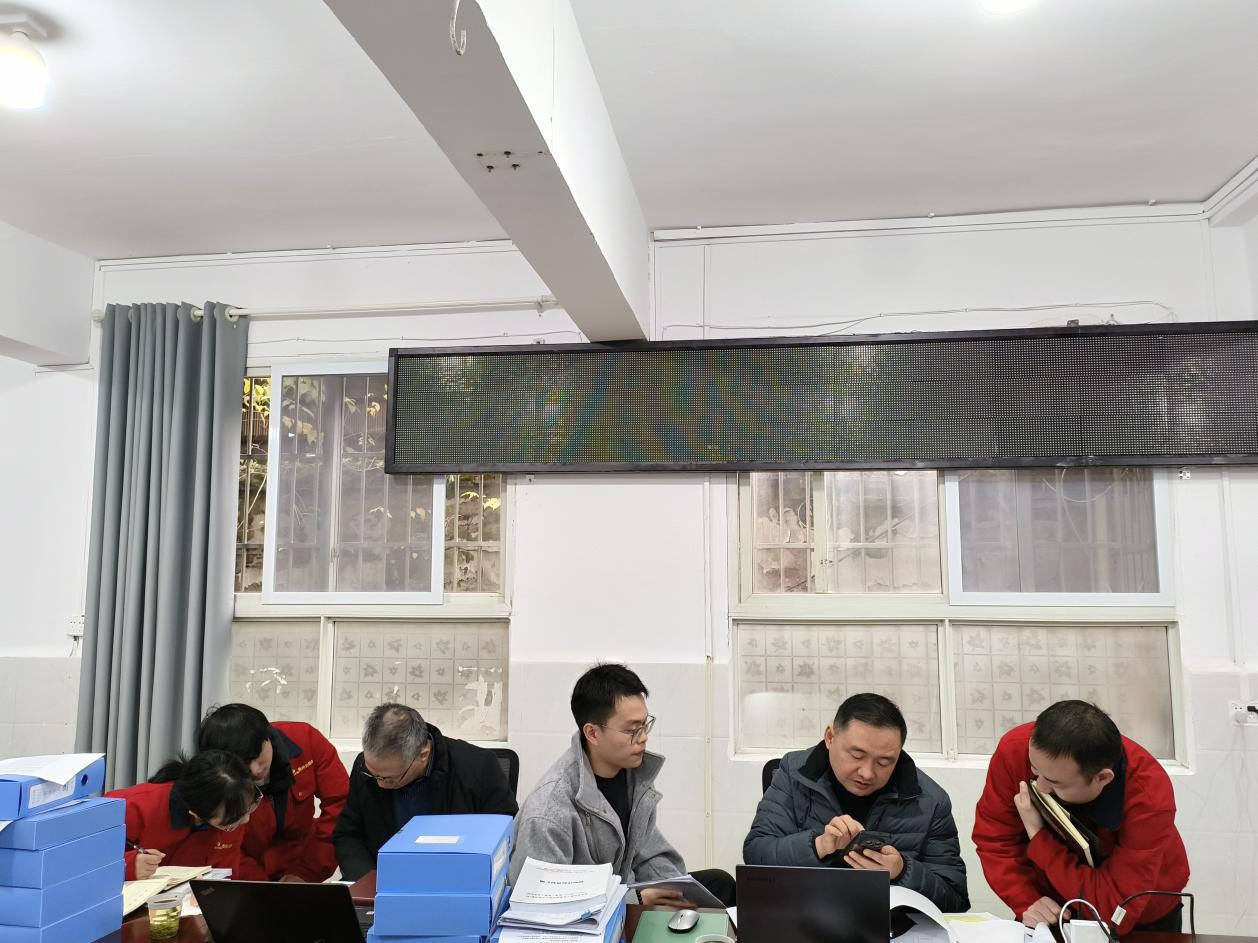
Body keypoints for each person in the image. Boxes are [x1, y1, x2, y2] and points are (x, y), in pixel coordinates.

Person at [509, 663, 736, 907]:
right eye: (632, 730)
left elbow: (648, 853)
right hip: (591, 920)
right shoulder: (547, 812)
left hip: (627, 899)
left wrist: (676, 890)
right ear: (593, 733)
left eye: (645, 725)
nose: (644, 737)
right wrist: (632, 900)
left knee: (720, 884)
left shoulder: (632, 778)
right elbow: (539, 907)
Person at [973, 700, 1190, 934]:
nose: (1040, 787)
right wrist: (1026, 899)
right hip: (1049, 907)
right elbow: (995, 840)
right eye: (1035, 770)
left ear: (1102, 778)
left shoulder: (1148, 795)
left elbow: (1111, 914)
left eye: (1055, 782)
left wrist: (1038, 836)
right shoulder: (1016, 749)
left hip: (1141, 916)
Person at [744, 693, 969, 912]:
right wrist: (818, 845)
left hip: (887, 924)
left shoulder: (930, 801)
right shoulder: (794, 773)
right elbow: (756, 855)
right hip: (803, 915)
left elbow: (955, 901)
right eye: (857, 755)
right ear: (830, 737)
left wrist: (902, 871)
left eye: (884, 762)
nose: (867, 773)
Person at [333, 703, 518, 881]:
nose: (380, 784)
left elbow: (503, 837)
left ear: (423, 754)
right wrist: (369, 880)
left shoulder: (478, 767)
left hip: (455, 880)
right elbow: (348, 834)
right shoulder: (367, 768)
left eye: (389, 779)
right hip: (383, 882)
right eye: (374, 775)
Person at [198, 703, 349, 882]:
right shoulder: (214, 778)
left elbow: (340, 808)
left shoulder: (306, 740)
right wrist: (262, 888)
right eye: (243, 764)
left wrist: (306, 874)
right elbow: (224, 843)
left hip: (304, 862)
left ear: (267, 735)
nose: (255, 770)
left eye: (257, 755)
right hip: (248, 872)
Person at [107, 750, 261, 880]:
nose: (246, 819)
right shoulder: (129, 807)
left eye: (250, 807)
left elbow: (228, 874)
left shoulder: (234, 811)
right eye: (233, 820)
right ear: (196, 814)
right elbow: (92, 857)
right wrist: (127, 866)